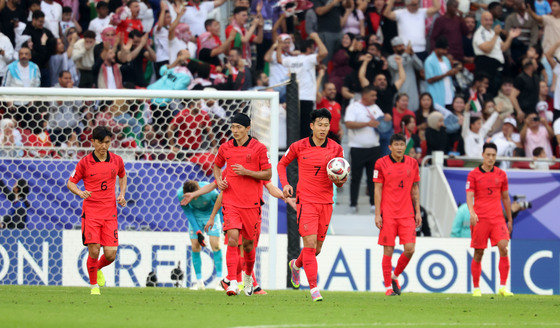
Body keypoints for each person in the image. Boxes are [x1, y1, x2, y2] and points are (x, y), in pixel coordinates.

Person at [279, 108, 346, 302]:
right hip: (306, 201)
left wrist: (340, 181)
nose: (323, 128)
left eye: (326, 125)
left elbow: (339, 179)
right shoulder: (299, 146)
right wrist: (285, 184)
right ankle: (314, 289)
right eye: (320, 125)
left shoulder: (336, 149)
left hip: (326, 202)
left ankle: (296, 265)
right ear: (312, 126)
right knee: (308, 244)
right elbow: (282, 164)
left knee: (316, 249)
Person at [213, 113, 272, 296]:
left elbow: (268, 174)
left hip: (251, 204)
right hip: (231, 201)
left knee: (248, 246)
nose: (235, 131)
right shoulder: (225, 147)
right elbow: (216, 165)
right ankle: (231, 282)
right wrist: (219, 180)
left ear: (248, 129)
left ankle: (247, 277)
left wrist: (247, 172)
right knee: (232, 239)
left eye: (239, 127)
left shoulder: (259, 148)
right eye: (233, 127)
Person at [66, 126, 127, 295]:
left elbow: (122, 175)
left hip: (110, 213)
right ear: (92, 142)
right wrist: (79, 192)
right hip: (91, 213)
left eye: (107, 142)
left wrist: (121, 194)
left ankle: (97, 269)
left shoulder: (117, 160)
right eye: (100, 142)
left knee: (110, 254)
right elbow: (70, 182)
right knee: (94, 250)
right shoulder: (84, 163)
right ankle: (94, 287)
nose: (103, 146)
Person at [373, 133, 421, 296]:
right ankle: (388, 287)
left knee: (410, 249)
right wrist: (378, 214)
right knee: (388, 250)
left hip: (407, 213)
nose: (400, 148)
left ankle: (395, 276)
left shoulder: (413, 163)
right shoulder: (381, 163)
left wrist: (418, 211)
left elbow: (415, 189)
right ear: (390, 147)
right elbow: (377, 189)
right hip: (388, 214)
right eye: (397, 145)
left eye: (402, 145)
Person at [466, 142, 513, 297]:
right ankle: (476, 287)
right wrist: (472, 212)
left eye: (493, 155)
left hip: (497, 218)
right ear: (483, 156)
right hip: (480, 219)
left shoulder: (501, 174)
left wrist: (510, 219)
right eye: (488, 155)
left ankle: (503, 286)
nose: (491, 158)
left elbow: (505, 198)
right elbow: (469, 195)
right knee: (479, 252)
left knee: (503, 247)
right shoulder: (473, 174)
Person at [345, 85, 387, 214]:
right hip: (357, 148)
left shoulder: (375, 108)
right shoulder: (353, 107)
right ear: (365, 95)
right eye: (372, 95)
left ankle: (374, 204)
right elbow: (348, 124)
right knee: (355, 178)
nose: (375, 98)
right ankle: (353, 204)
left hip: (374, 148)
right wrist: (367, 124)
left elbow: (382, 123)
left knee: (373, 178)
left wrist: (386, 120)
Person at [278, 32, 328, 139]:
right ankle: (303, 153)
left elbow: (279, 59)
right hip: (307, 98)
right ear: (309, 49)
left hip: (293, 100)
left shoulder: (292, 60)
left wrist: (279, 45)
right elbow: (324, 53)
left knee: (294, 129)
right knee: (306, 130)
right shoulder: (309, 59)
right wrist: (316, 37)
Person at [176, 180, 223, 290]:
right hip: (195, 215)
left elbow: (220, 205)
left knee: (215, 245)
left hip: (211, 214)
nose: (194, 198)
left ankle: (220, 281)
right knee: (195, 246)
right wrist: (198, 232)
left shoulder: (211, 192)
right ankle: (199, 282)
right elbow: (188, 213)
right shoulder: (181, 195)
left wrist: (224, 221)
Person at [425, 37, 458, 107]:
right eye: (443, 49)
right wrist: (446, 74)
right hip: (437, 96)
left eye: (446, 50)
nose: (445, 52)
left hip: (449, 95)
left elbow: (449, 74)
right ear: (437, 48)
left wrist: (453, 72)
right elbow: (429, 80)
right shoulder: (429, 61)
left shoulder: (446, 59)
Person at [316, 67, 343, 143]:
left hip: (336, 138)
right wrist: (321, 75)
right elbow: (315, 91)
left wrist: (341, 130)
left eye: (334, 89)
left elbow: (337, 120)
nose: (333, 91)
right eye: (329, 89)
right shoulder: (321, 102)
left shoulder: (337, 105)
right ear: (324, 92)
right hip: (324, 137)